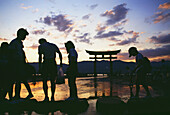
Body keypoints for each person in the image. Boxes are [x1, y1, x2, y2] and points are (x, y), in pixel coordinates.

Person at [9, 28, 34, 100]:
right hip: (15, 64)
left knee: (19, 80)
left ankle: (17, 96)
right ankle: (15, 97)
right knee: (16, 80)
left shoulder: (19, 42)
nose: (25, 37)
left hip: (20, 64)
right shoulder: (14, 43)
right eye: (24, 35)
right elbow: (11, 54)